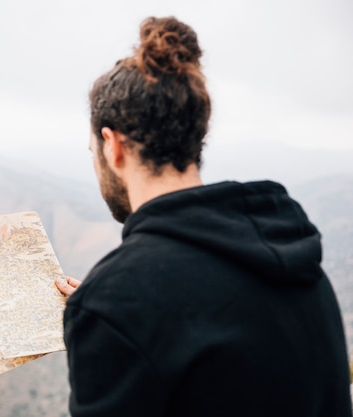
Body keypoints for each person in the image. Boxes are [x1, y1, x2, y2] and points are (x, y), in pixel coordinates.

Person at [54, 16, 351, 417]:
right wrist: (108, 318)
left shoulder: (120, 302)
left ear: (113, 146)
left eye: (93, 152)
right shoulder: (294, 255)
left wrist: (107, 318)